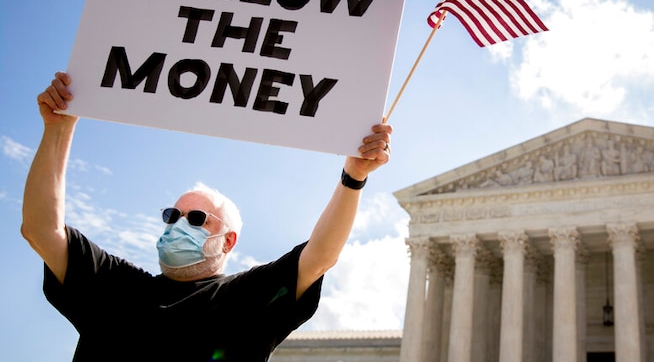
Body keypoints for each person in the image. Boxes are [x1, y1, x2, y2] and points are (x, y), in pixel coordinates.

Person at [21, 71, 393, 361]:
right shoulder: (116, 286)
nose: (179, 225)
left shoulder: (246, 299)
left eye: (197, 219)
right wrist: (59, 129)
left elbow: (320, 256)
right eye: (172, 215)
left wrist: (353, 177)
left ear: (229, 240)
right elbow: (40, 228)